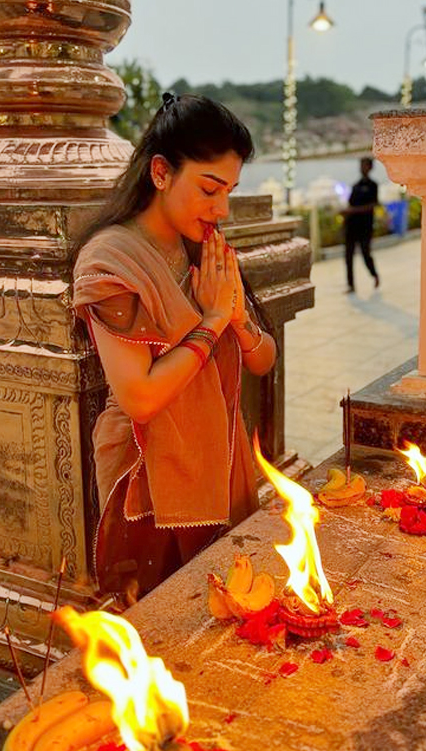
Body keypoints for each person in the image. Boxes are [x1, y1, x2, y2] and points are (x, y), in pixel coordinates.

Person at [73, 93, 277, 603]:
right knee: (166, 623)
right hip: (151, 478)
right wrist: (210, 322)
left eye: (229, 190)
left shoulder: (203, 247)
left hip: (219, 457)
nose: (221, 208)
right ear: (161, 173)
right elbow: (140, 396)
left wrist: (235, 318)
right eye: (209, 189)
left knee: (226, 614)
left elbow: (262, 358)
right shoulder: (111, 260)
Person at [343, 156, 380, 293]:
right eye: (361, 165)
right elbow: (350, 203)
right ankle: (350, 284)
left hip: (365, 226)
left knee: (365, 253)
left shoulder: (373, 186)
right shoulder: (356, 186)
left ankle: (374, 275)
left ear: (370, 167)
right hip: (352, 226)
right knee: (348, 256)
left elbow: (373, 205)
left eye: (364, 165)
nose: (362, 168)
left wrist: (353, 210)